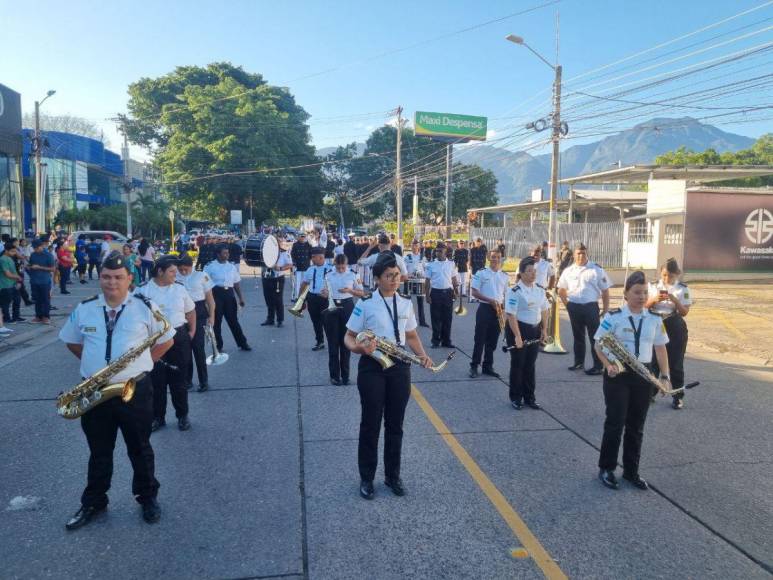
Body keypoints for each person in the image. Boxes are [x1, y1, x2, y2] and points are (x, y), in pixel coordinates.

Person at [59, 252, 175, 529]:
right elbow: (72, 342)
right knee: (99, 450)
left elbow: (167, 340)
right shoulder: (85, 308)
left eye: (118, 277)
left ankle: (147, 497)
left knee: (140, 447)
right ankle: (94, 501)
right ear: (100, 278)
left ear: (129, 279)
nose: (112, 282)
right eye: (107, 277)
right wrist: (96, 368)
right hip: (95, 390)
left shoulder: (145, 307)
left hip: (135, 389)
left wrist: (143, 363)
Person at [344, 252, 433, 500]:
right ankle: (367, 478)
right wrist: (359, 348)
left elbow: (412, 335)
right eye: (388, 276)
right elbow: (348, 336)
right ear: (377, 278)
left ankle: (393, 476)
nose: (394, 280)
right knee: (370, 424)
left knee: (396, 425)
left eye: (396, 276)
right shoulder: (365, 303)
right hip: (372, 365)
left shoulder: (405, 303)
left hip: (399, 365)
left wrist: (423, 355)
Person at [594, 271, 671, 491]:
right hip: (618, 374)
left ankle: (631, 471)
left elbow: (660, 348)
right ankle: (607, 468)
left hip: (644, 375)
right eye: (637, 292)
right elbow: (599, 345)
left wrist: (664, 376)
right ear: (626, 293)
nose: (641, 296)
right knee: (615, 422)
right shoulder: (613, 317)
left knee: (636, 426)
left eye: (645, 292)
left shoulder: (655, 318)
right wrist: (607, 364)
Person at [135, 256, 196, 432]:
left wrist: (191, 333)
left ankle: (182, 415)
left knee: (180, 381)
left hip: (178, 338)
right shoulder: (143, 291)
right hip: (154, 341)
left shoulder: (179, 289)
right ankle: (157, 417)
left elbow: (190, 311)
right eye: (171, 272)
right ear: (160, 271)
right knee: (156, 382)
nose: (175, 275)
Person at [557, 242, 610, 375]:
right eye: (578, 253)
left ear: (587, 254)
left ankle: (598, 366)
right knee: (578, 336)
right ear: (574, 255)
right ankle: (578, 362)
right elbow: (561, 289)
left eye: (583, 253)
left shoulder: (596, 269)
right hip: (574, 306)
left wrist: (606, 308)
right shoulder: (568, 271)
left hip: (591, 307)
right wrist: (567, 305)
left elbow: (605, 291)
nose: (581, 256)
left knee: (595, 337)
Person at [646, 258, 692, 410]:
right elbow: (643, 306)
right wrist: (654, 299)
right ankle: (650, 393)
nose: (667, 279)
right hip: (655, 323)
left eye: (671, 276)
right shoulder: (652, 286)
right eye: (664, 275)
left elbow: (684, 312)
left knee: (675, 363)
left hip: (674, 325)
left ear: (677, 274)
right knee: (653, 362)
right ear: (660, 273)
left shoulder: (682, 289)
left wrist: (674, 300)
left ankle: (677, 397)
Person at [505, 257, 550, 409]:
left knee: (530, 365)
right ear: (522, 273)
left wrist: (544, 329)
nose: (533, 274)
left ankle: (529, 397)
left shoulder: (539, 289)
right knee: (518, 364)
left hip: (534, 329)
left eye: (534, 271)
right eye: (529, 271)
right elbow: (511, 315)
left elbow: (544, 309)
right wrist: (517, 336)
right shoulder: (514, 291)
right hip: (518, 328)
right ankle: (516, 397)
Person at [322, 254, 364, 384]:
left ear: (346, 265)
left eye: (343, 267)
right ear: (334, 265)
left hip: (347, 306)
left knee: (346, 342)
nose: (340, 270)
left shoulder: (353, 274)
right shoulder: (328, 274)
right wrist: (324, 294)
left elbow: (362, 293)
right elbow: (324, 291)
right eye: (338, 267)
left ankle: (345, 376)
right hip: (332, 306)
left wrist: (350, 291)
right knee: (333, 343)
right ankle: (335, 376)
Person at [177, 254, 215, 392]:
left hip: (198, 313)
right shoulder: (174, 276)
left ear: (190, 265)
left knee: (198, 349)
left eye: (185, 268)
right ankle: (187, 380)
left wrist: (212, 316)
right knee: (184, 350)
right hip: (181, 315)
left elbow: (210, 299)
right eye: (180, 269)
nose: (182, 271)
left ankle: (203, 381)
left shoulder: (202, 275)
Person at [469, 250, 509, 379]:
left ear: (501, 258)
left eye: (498, 257)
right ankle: (474, 366)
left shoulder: (504, 276)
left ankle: (488, 366)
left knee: (492, 341)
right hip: (485, 308)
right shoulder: (481, 273)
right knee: (479, 339)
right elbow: (474, 292)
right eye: (493, 257)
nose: (495, 259)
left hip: (498, 310)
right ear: (488, 258)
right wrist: (490, 300)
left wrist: (505, 312)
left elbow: (506, 295)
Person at [204, 245, 251, 352]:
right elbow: (205, 284)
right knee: (217, 322)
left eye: (227, 253)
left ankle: (243, 343)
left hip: (229, 295)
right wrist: (206, 301)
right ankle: (218, 346)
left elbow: (236, 283)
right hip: (216, 294)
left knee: (233, 321)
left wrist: (241, 298)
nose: (227, 255)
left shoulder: (231, 266)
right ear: (218, 254)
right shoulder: (210, 266)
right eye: (224, 253)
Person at [424, 244, 459, 349]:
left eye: (440, 251)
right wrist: (427, 295)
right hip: (435, 293)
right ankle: (435, 341)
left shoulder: (451, 264)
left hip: (448, 293)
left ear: (445, 252)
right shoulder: (430, 265)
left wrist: (456, 291)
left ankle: (446, 341)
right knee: (436, 318)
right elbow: (427, 281)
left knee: (447, 318)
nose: (437, 253)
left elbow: (453, 279)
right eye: (436, 251)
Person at [298, 247, 331, 351]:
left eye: (313, 257)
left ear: (321, 257)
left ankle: (332, 343)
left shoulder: (331, 269)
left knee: (328, 323)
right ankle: (320, 342)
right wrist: (300, 299)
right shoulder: (310, 269)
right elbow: (304, 283)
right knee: (316, 322)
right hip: (312, 298)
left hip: (326, 300)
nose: (311, 259)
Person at [261, 243, 293, 327]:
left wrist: (280, 268)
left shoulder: (283, 253)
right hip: (266, 278)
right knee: (268, 299)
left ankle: (280, 320)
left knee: (278, 300)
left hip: (278, 278)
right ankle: (270, 319)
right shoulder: (265, 252)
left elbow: (290, 264)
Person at [27, 239, 56, 324]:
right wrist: (28, 266)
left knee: (45, 299)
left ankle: (46, 317)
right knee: (37, 299)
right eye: (34, 248)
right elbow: (31, 265)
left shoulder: (48, 255)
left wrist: (39, 267)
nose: (35, 249)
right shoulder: (33, 255)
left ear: (41, 246)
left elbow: (53, 269)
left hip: (45, 281)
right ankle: (38, 316)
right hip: (34, 281)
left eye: (36, 248)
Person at [403, 240, 428, 327]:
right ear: (411, 247)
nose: (414, 247)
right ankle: (405, 321)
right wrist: (409, 275)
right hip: (409, 281)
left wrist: (422, 275)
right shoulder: (407, 257)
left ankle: (422, 321)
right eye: (413, 245)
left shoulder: (423, 258)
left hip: (419, 282)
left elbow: (426, 269)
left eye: (416, 245)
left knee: (420, 302)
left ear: (419, 247)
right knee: (406, 302)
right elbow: (404, 269)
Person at [0, 244, 23, 326]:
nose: (14, 253)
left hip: (13, 283)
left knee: (17, 300)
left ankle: (16, 316)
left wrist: (18, 280)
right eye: (12, 251)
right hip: (5, 285)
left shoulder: (10, 258)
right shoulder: (3, 259)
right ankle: (7, 318)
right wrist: (18, 277)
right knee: (6, 303)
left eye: (15, 251)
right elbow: (7, 274)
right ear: (6, 250)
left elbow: (13, 271)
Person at [291, 232, 312, 301]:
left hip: (306, 266)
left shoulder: (308, 245)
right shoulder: (295, 245)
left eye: (303, 237)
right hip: (298, 266)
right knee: (297, 283)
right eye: (301, 237)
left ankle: (304, 296)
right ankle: (297, 296)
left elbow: (311, 254)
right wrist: (294, 263)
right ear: (298, 237)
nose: (302, 238)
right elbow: (293, 255)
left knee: (306, 282)